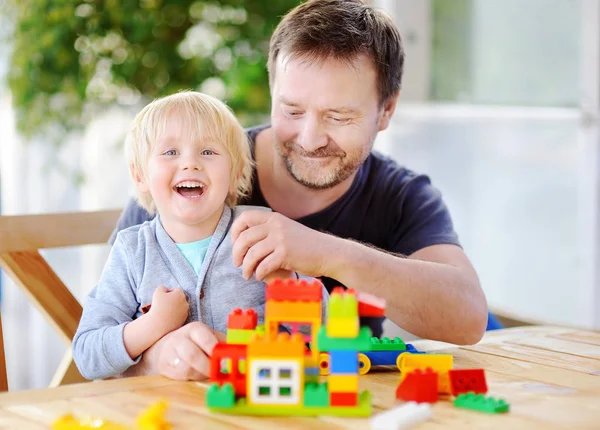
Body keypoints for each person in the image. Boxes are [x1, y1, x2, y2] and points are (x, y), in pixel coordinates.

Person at [115, 0, 490, 381]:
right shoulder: (188, 178)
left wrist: (328, 254)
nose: (310, 139)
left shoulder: (401, 194)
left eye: (339, 116)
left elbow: (468, 318)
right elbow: (96, 342)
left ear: (387, 111)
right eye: (292, 111)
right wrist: (156, 358)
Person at [72, 91, 301, 380]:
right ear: (140, 175)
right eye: (170, 152)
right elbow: (87, 355)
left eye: (208, 152)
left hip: (252, 409)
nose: (190, 163)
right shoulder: (132, 250)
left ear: (235, 171)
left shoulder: (261, 232)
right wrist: (153, 325)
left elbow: (319, 335)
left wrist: (287, 286)